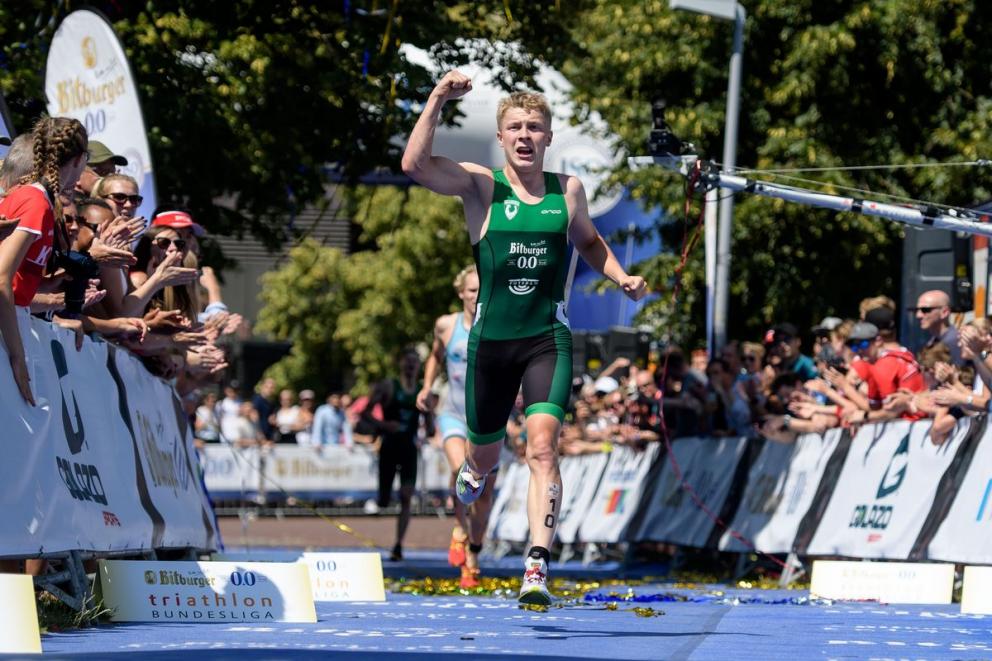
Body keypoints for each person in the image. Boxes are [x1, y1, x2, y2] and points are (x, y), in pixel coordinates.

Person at [401, 71, 646, 604]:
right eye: (514, 127)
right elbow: (414, 165)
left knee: (542, 449)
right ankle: (473, 467)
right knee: (485, 462)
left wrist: (621, 276)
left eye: (535, 127)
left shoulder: (569, 190)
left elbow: (590, 242)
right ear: (502, 136)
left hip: (547, 340)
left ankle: (536, 566)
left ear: (549, 137)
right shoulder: (481, 186)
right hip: (491, 345)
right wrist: (439, 97)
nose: (525, 135)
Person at [0, 117, 88, 404]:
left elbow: (17, 285)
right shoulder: (35, 200)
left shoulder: (38, 198)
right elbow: (1, 278)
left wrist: (51, 288)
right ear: (77, 159)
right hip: (7, 334)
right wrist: (17, 356)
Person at [416, 264, 493, 589]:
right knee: (463, 470)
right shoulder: (446, 325)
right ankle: (460, 528)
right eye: (472, 290)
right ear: (461, 292)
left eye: (481, 290)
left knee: (484, 494)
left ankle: (473, 551)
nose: (477, 296)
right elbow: (435, 355)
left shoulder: (497, 324)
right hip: (452, 413)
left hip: (487, 419)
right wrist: (427, 386)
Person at [363, 348, 427, 562]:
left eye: (415, 363)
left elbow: (430, 424)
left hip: (409, 448)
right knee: (383, 500)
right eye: (408, 361)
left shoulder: (421, 390)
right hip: (389, 447)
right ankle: (380, 501)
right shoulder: (389, 386)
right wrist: (383, 425)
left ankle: (398, 544)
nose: (411, 366)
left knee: (406, 496)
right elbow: (364, 413)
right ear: (401, 363)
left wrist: (430, 420)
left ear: (419, 366)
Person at [915, 290, 963, 366]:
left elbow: (963, 375)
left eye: (925, 310)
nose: (918, 315)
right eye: (917, 310)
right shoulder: (934, 340)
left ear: (944, 312)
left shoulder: (955, 341)